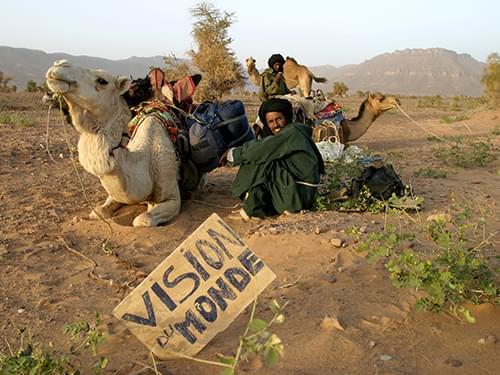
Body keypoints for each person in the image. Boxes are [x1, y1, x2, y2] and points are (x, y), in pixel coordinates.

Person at [222, 98, 324, 220]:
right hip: (296, 192)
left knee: (262, 159)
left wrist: (232, 154)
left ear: (287, 117)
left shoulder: (293, 132)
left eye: (279, 119)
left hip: (299, 197)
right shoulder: (293, 132)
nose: (275, 125)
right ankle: (258, 206)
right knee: (265, 158)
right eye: (270, 121)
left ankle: (251, 209)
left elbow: (260, 150)